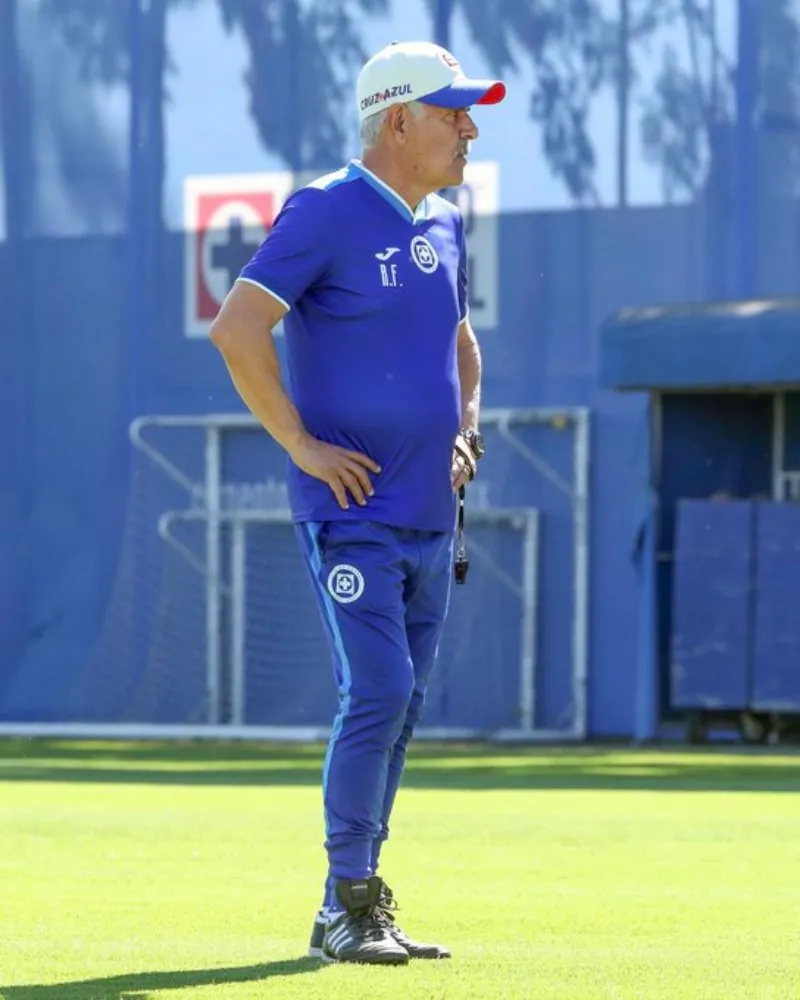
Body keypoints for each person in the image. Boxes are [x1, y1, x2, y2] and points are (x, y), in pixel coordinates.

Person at [210, 39, 506, 965]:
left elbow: (464, 348)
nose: (470, 126)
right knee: (377, 689)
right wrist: (299, 445)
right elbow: (238, 326)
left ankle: (353, 907)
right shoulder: (328, 209)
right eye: (453, 110)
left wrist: (466, 430)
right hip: (352, 516)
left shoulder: (447, 223)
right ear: (397, 120)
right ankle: (349, 900)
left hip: (429, 513)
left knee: (402, 701)